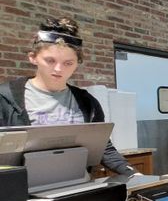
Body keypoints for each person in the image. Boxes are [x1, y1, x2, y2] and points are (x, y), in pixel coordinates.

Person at [0, 16, 135, 176]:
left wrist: (133, 174)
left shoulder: (87, 103)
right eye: (50, 60)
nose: (58, 69)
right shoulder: (5, 98)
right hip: (22, 193)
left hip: (77, 187)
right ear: (33, 57)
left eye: (68, 63)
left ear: (78, 63)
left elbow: (103, 147)